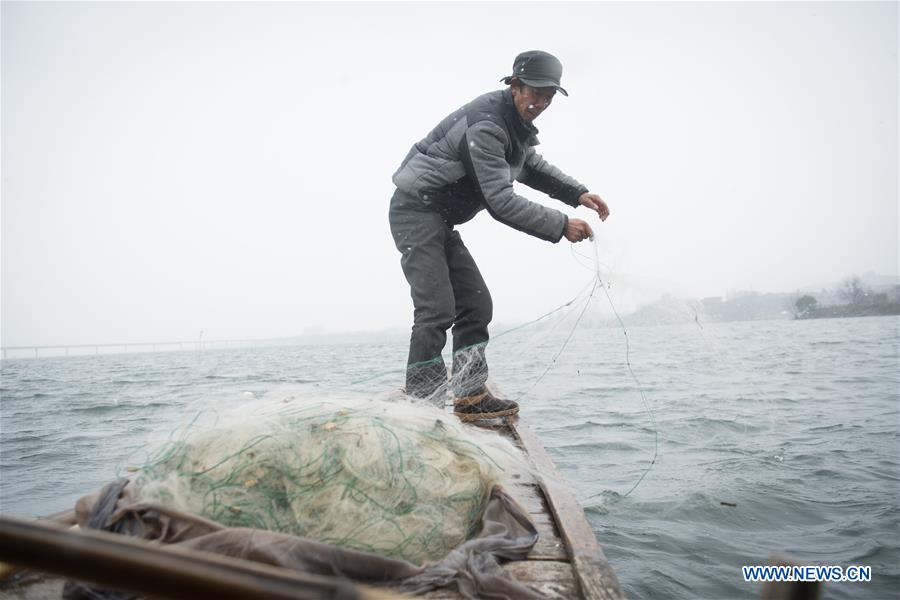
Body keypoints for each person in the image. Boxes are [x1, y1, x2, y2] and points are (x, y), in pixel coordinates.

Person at [389, 50, 609, 421]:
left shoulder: (515, 127)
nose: (540, 103)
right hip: (415, 211)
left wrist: (577, 193)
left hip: (440, 219)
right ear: (514, 86)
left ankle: (470, 396)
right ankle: (422, 405)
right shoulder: (488, 125)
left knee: (476, 304)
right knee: (436, 308)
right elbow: (500, 201)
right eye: (534, 93)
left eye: (548, 97)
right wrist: (561, 224)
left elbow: (530, 166)